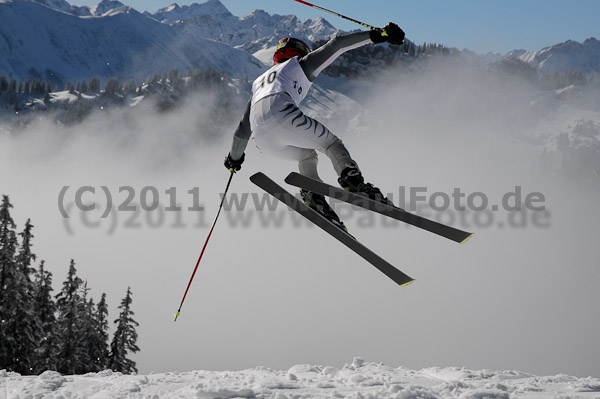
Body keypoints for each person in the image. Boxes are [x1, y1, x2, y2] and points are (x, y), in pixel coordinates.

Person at [225, 23, 405, 232]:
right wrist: (380, 35)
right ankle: (354, 181)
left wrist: (234, 160)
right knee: (331, 143)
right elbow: (337, 45)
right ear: (299, 51)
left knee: (307, 156)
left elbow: (241, 130)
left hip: (262, 141)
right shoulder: (298, 64)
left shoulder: (258, 83)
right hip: (282, 114)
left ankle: (312, 194)